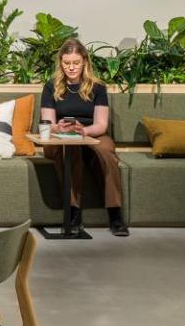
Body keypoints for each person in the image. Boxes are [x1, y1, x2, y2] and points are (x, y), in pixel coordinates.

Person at [39, 37, 126, 235]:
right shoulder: (51, 86)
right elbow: (48, 122)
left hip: (91, 132)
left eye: (76, 63)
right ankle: (74, 213)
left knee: (106, 152)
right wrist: (58, 128)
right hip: (62, 136)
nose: (71, 67)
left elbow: (101, 124)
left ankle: (115, 214)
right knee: (70, 152)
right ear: (60, 62)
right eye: (66, 63)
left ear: (85, 62)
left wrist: (84, 131)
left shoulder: (97, 87)